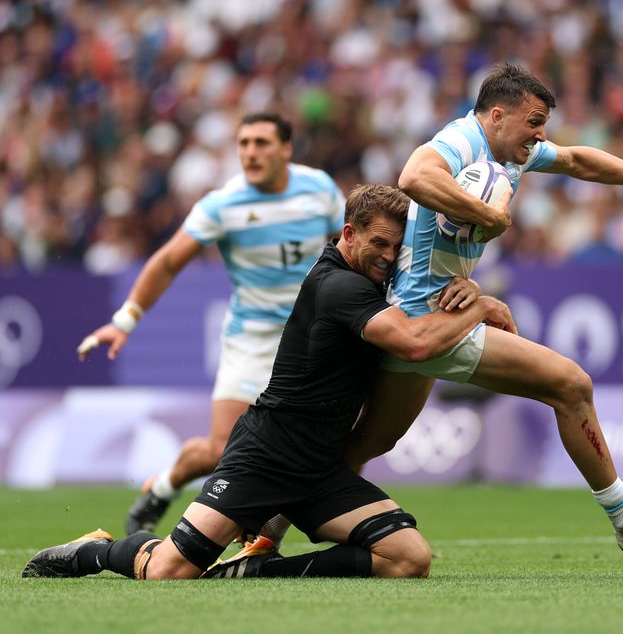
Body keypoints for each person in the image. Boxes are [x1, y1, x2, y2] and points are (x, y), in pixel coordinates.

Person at [24, 184, 514, 581]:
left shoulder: (374, 280)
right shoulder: (338, 285)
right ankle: (96, 551)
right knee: (170, 571)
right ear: (349, 233)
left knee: (409, 559)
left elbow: (420, 303)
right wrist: (481, 307)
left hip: (320, 466)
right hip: (266, 454)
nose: (389, 256)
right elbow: (415, 344)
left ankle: (259, 572)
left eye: (395, 247)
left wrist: (462, 287)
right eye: (379, 244)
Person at [342, 62, 623, 559]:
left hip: (420, 316)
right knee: (571, 385)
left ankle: (264, 528)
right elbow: (413, 176)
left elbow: (578, 161)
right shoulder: (462, 141)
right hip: (427, 319)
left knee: (363, 445)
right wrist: (487, 214)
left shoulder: (514, 152)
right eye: (534, 122)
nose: (540, 135)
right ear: (497, 115)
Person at [76, 112, 347, 536]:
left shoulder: (320, 189)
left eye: (261, 143)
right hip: (253, 339)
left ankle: (263, 536)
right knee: (222, 450)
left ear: (286, 149)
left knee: (318, 443)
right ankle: (164, 485)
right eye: (244, 144)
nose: (250, 153)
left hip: (311, 338)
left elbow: (347, 248)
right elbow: (167, 261)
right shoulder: (224, 204)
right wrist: (124, 321)